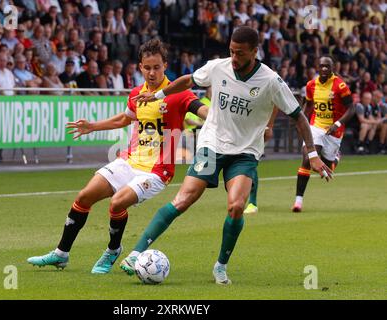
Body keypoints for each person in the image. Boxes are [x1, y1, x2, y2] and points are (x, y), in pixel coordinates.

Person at [119, 26, 332, 285]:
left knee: (236, 207)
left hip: (245, 153)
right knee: (183, 200)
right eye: (231, 51)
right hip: (212, 145)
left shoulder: (271, 81)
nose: (234, 57)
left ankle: (220, 265)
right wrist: (158, 94)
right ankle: (135, 253)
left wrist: (312, 154)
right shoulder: (218, 67)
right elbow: (188, 80)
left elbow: (299, 117)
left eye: (240, 53)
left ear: (255, 52)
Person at [27, 39, 209, 274]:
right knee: (84, 197)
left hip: (156, 171)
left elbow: (200, 109)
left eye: (156, 67)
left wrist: (214, 115)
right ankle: (61, 254)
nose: (151, 72)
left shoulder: (178, 93)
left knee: (117, 203)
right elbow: (124, 119)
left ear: (165, 65)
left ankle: (113, 250)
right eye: (147, 67)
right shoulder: (136, 93)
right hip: (128, 160)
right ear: (140, 67)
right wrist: (92, 126)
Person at [292, 56, 355, 212]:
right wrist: (300, 121)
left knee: (326, 168)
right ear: (317, 68)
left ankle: (335, 158)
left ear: (332, 68)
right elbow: (308, 105)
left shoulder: (340, 85)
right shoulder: (311, 85)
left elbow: (352, 108)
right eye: (322, 66)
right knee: (307, 159)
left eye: (327, 66)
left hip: (334, 131)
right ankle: (298, 202)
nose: (324, 69)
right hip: (315, 127)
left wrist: (338, 123)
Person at [243, 107, 278, 215]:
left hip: (257, 127)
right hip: (240, 126)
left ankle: (252, 202)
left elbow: (275, 103)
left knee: (250, 160)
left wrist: (269, 126)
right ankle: (239, 196)